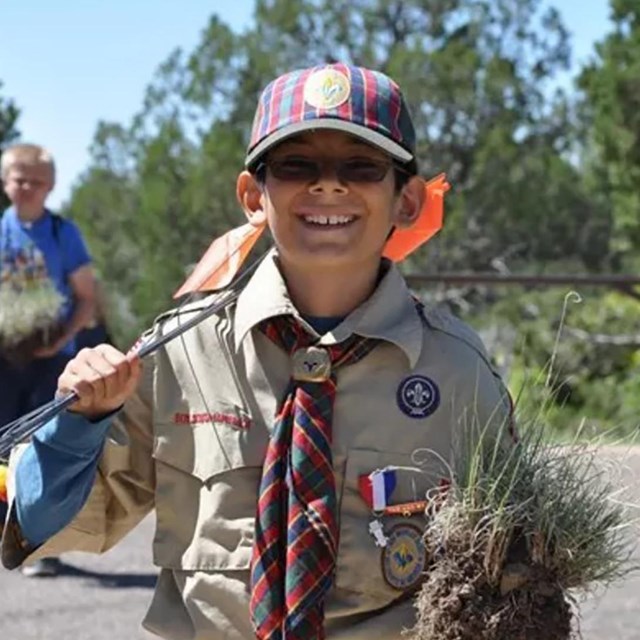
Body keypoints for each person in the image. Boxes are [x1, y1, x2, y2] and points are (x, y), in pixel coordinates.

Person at [0, 64, 512, 639]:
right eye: (296, 166)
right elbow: (46, 523)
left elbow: (516, 585)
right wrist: (79, 425)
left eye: (361, 167)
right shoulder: (179, 354)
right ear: (253, 194)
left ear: (407, 201)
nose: (328, 186)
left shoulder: (459, 374)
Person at [0, 143, 97, 577]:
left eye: (36, 181)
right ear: (5, 181)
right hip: (5, 358)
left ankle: (40, 544)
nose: (27, 188)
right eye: (19, 178)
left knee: (42, 449)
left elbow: (86, 299)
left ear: (51, 185)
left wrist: (59, 336)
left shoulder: (63, 234)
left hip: (52, 358)